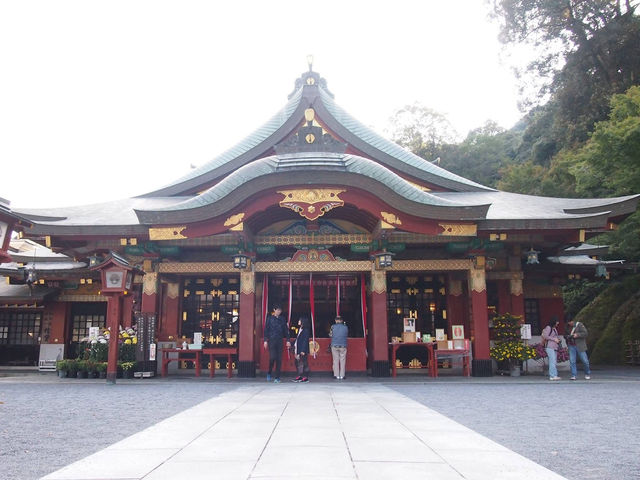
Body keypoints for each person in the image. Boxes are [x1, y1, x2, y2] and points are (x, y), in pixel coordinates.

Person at [263, 305, 290, 383]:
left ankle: (277, 377)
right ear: (274, 310)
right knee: (272, 358)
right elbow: (266, 330)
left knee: (279, 359)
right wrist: (265, 340)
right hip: (271, 341)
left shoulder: (282, 319)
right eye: (278, 310)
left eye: (280, 310)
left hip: (280, 341)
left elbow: (286, 330)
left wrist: (288, 340)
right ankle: (269, 372)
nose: (279, 312)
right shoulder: (269, 319)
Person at [541, 316, 562, 380]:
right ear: (554, 321)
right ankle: (552, 375)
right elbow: (545, 336)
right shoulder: (548, 327)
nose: (558, 323)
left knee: (554, 361)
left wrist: (558, 339)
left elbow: (555, 336)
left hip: (555, 347)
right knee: (552, 361)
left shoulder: (554, 329)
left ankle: (555, 375)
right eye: (557, 322)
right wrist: (554, 339)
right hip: (549, 347)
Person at [292, 315, 311, 383]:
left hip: (302, 349)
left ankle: (305, 377)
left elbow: (305, 340)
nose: (298, 321)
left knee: (304, 363)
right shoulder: (300, 329)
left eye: (299, 320)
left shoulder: (306, 330)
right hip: (298, 348)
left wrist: (303, 350)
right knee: (297, 362)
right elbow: (298, 339)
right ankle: (300, 376)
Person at [329, 315, 348, 380]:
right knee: (342, 360)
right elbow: (346, 334)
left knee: (335, 360)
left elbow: (330, 335)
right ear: (341, 320)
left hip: (334, 345)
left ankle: (336, 375)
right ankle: (342, 375)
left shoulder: (333, 326)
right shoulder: (345, 327)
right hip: (343, 345)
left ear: (335, 320)